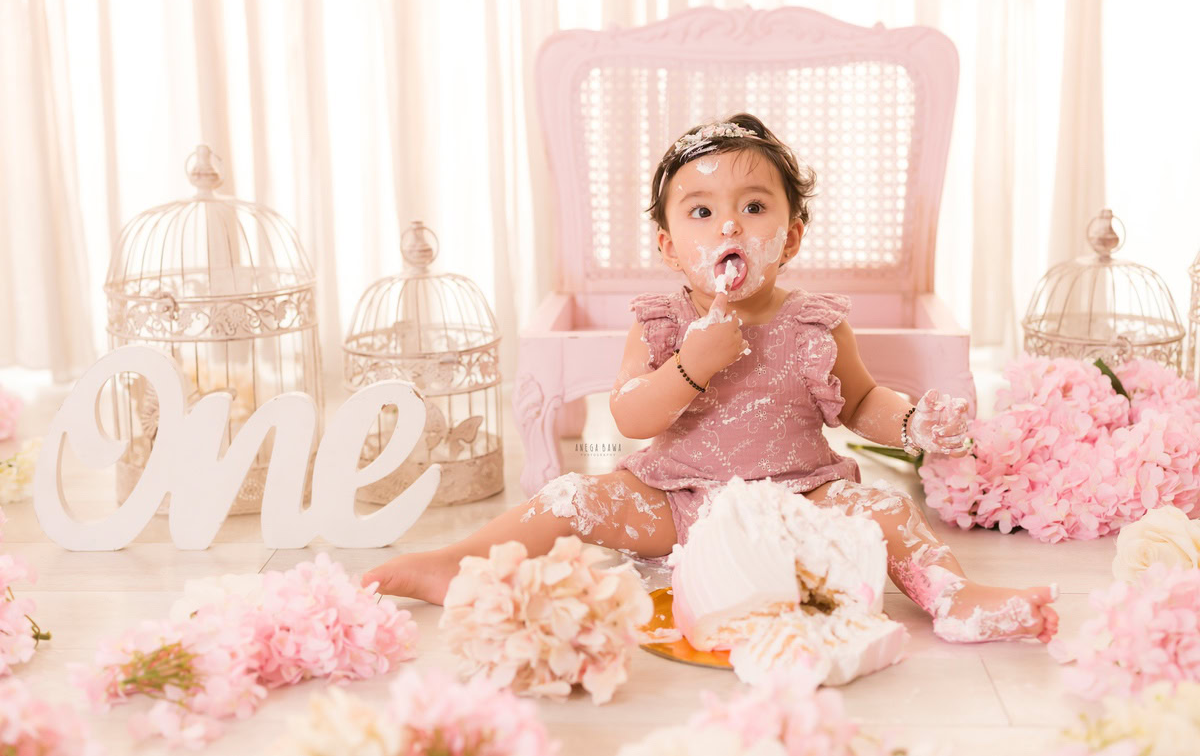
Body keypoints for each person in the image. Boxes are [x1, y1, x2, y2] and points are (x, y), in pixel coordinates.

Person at [362, 113, 1059, 644]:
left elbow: (861, 401)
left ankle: (953, 596)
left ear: (791, 236)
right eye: (702, 211)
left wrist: (908, 422)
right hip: (676, 502)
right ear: (670, 246)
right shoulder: (663, 323)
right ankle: (457, 561)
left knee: (886, 510)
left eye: (754, 207)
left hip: (797, 500)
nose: (729, 224)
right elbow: (632, 416)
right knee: (570, 495)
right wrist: (692, 365)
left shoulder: (813, 323)